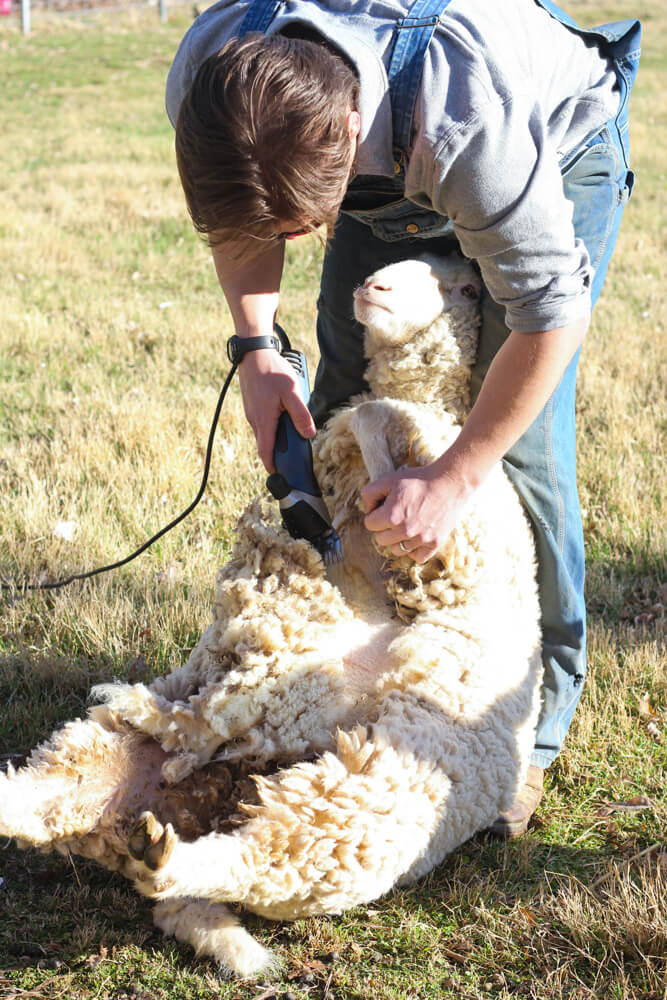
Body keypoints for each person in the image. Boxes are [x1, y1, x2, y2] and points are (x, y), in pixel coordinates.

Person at [166, 0, 641, 836]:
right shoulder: (211, 74)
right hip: (384, 162)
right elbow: (243, 219)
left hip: (555, 148)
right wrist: (256, 348)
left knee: (516, 451)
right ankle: (335, 670)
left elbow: (548, 317)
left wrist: (456, 475)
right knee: (343, 406)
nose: (293, 238)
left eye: (302, 227)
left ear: (350, 131)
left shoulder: (471, 118)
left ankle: (525, 726)